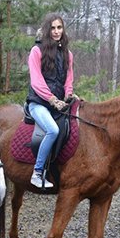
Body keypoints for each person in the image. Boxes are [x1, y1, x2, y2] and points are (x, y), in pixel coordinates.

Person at [26, 13, 75, 189]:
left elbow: (69, 78)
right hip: (38, 103)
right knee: (53, 131)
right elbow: (36, 81)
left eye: (59, 27)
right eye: (53, 28)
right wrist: (53, 99)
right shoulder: (36, 51)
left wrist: (69, 94)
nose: (56, 31)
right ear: (47, 29)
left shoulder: (67, 54)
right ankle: (37, 173)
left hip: (59, 103)